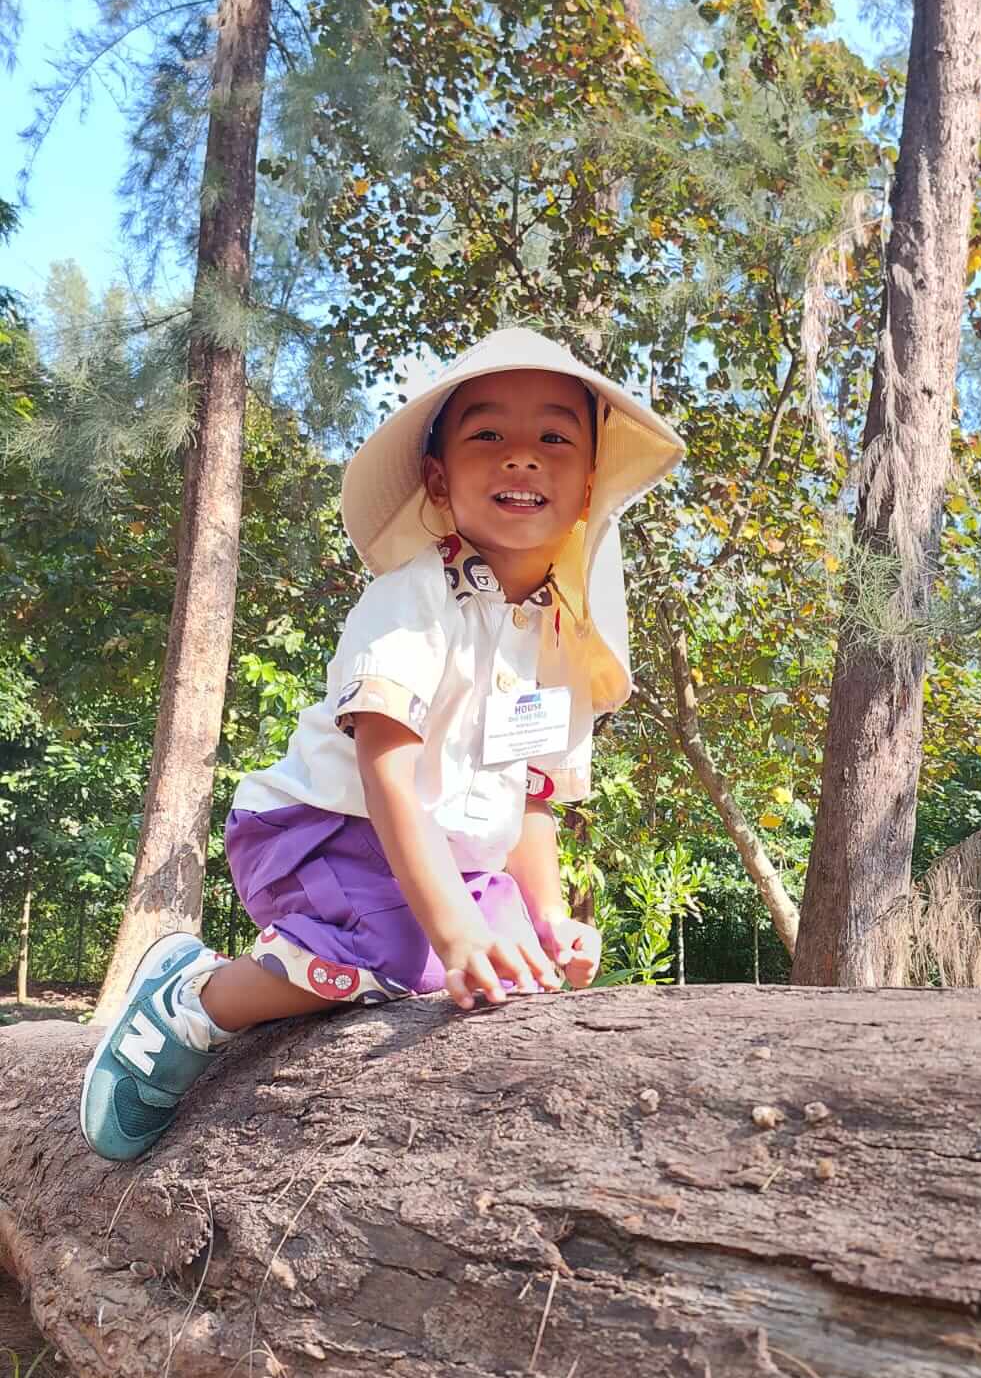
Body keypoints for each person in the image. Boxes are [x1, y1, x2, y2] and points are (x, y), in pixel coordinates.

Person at [80, 327, 685, 1161]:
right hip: (319, 828)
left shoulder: (561, 640)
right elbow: (387, 771)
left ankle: (353, 964)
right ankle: (190, 1001)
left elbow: (533, 797)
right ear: (437, 476)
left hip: (449, 858)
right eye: (487, 436)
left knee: (518, 971)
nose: (521, 459)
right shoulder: (413, 599)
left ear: (588, 483)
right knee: (407, 952)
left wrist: (546, 919)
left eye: (553, 437)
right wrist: (454, 933)